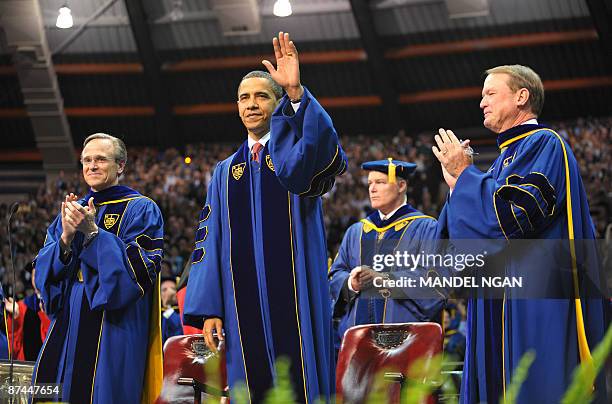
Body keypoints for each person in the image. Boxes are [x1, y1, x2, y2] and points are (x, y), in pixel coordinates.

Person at [184, 32, 347, 403]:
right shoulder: (225, 173)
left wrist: (297, 94)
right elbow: (209, 241)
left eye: (261, 96)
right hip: (243, 310)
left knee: (300, 377)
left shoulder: (293, 156)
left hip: (295, 294)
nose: (252, 104)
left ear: (276, 104)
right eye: (244, 98)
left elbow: (322, 146)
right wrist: (210, 309)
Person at [433, 65, 607, 403]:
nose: (481, 101)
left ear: (521, 96)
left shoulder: (545, 143)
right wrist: (458, 185)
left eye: (490, 93)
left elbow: (517, 217)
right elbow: (464, 241)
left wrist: (467, 177)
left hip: (534, 302)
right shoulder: (498, 164)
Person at [33, 133, 164, 403]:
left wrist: (94, 234)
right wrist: (66, 239)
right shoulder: (70, 212)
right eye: (87, 160)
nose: (92, 166)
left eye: (101, 160)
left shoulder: (142, 209)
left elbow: (137, 274)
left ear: (121, 165)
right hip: (68, 319)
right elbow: (43, 277)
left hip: (112, 324)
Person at [328, 159, 445, 352]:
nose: (372, 189)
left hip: (404, 345)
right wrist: (351, 283)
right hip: (358, 346)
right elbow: (335, 274)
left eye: (380, 182)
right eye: (370, 184)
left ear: (401, 185)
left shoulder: (426, 227)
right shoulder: (356, 231)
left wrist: (385, 280)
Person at [160, 275, 182, 346]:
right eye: (164, 290)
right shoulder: (156, 315)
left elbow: (178, 331)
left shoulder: (183, 313)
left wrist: (168, 307)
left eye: (173, 289)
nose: (169, 293)